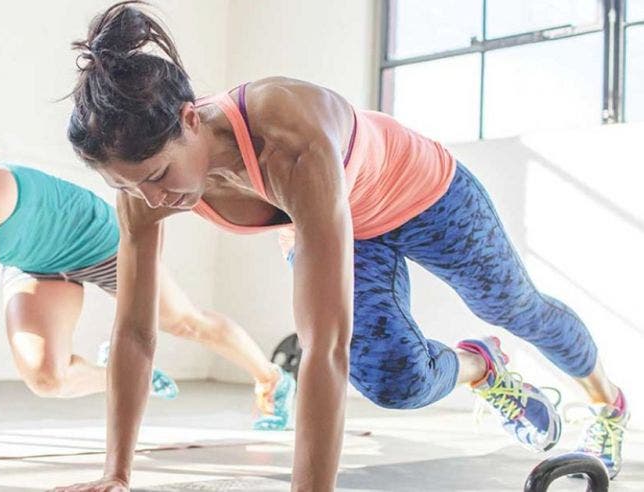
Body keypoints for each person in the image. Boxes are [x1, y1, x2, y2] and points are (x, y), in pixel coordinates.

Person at [56, 2, 628, 490]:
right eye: (126, 185)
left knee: (514, 307)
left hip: (424, 193)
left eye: (156, 177)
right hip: (339, 222)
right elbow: (134, 329)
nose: (148, 199)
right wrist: (117, 472)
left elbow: (323, 344)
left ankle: (607, 402)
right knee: (394, 382)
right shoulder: (141, 192)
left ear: (189, 119)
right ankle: (483, 367)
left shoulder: (287, 136)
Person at [0, 137, 297, 459]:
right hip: (38, 263)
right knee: (44, 376)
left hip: (95, 237)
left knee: (183, 321)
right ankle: (126, 373)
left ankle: (272, 379)